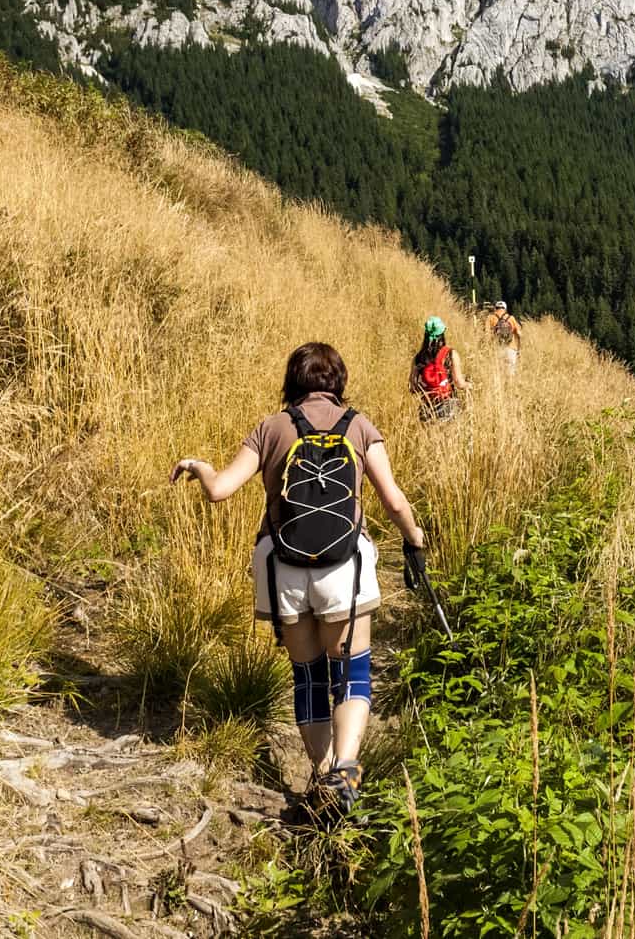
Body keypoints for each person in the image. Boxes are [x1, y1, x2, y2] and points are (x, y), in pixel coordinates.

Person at [171, 342, 428, 818]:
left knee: (308, 677)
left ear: (292, 381)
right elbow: (393, 500)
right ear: (337, 382)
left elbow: (220, 490)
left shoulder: (270, 428)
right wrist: (414, 540)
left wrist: (199, 468)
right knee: (351, 674)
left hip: (282, 568)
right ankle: (345, 767)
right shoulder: (359, 425)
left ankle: (324, 772)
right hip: (342, 568)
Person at [408, 316, 469, 421]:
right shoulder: (450, 354)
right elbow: (459, 383)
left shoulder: (418, 357)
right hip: (448, 405)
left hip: (427, 408)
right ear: (442, 333)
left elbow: (412, 387)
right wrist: (469, 385)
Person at [483, 301, 523, 378]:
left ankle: (501, 389)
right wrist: (518, 349)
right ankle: (510, 389)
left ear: (495, 308)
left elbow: (486, 334)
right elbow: (519, 334)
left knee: (498, 374)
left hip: (496, 348)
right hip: (511, 348)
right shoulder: (511, 318)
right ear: (505, 309)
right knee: (510, 375)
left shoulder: (490, 318)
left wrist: (487, 349)